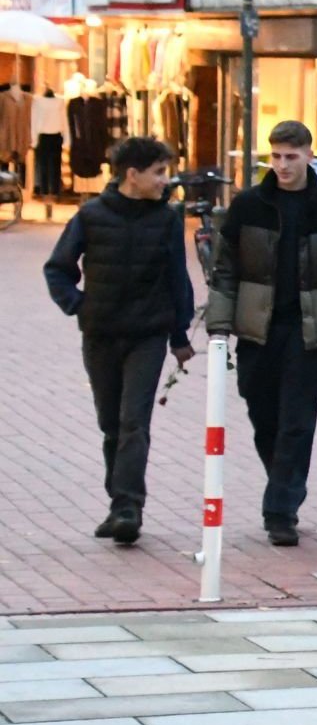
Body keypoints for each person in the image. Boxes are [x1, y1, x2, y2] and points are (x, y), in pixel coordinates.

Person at [206, 120, 317, 546]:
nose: (283, 165)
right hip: (257, 329)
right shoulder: (248, 206)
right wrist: (219, 327)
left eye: (291, 156)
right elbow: (225, 269)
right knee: (263, 416)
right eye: (276, 156)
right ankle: (285, 480)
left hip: (307, 330)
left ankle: (281, 509)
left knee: (297, 421)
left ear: (311, 155)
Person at [44, 136, 194, 545]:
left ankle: (129, 506)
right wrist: (79, 305)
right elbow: (57, 268)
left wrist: (180, 335)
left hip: (148, 335)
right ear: (133, 175)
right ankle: (118, 503)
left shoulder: (167, 220)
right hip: (102, 335)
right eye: (159, 172)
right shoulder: (91, 216)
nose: (166, 180)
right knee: (110, 423)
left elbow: (178, 280)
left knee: (133, 422)